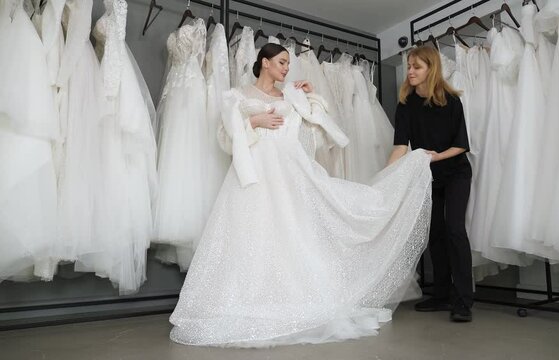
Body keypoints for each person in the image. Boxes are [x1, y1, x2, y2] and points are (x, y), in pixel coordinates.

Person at [168, 43, 434, 347]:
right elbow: (224, 139)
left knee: (293, 234)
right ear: (264, 63)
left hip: (288, 173)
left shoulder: (289, 97)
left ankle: (293, 299)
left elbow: (317, 136)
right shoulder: (239, 96)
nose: (285, 68)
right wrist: (253, 122)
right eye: (281, 62)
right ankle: (250, 303)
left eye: (287, 63)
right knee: (251, 234)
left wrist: (309, 97)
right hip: (254, 176)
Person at [388, 46, 474, 322]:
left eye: (417, 67)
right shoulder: (405, 104)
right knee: (434, 232)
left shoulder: (450, 101)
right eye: (409, 66)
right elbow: (401, 145)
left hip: (455, 172)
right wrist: (387, 177)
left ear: (431, 69)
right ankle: (440, 295)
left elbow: (461, 145)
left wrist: (436, 156)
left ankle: (462, 301)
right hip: (429, 175)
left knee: (454, 230)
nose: (410, 72)